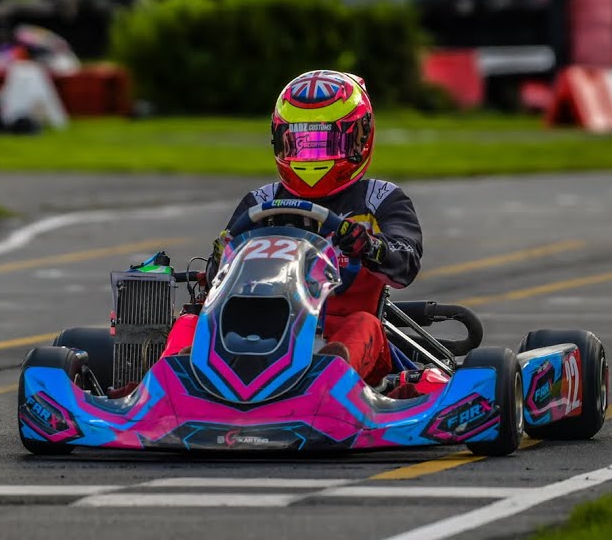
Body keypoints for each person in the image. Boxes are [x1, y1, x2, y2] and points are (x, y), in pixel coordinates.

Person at [143, 70, 424, 397]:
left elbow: (406, 265)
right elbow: (217, 285)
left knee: (364, 324)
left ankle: (327, 383)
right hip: (259, 330)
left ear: (359, 138)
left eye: (324, 143)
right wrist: (220, 259)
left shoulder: (380, 200)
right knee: (192, 322)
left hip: (342, 332)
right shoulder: (261, 202)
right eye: (301, 143)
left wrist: (370, 246)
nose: (310, 156)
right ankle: (167, 388)